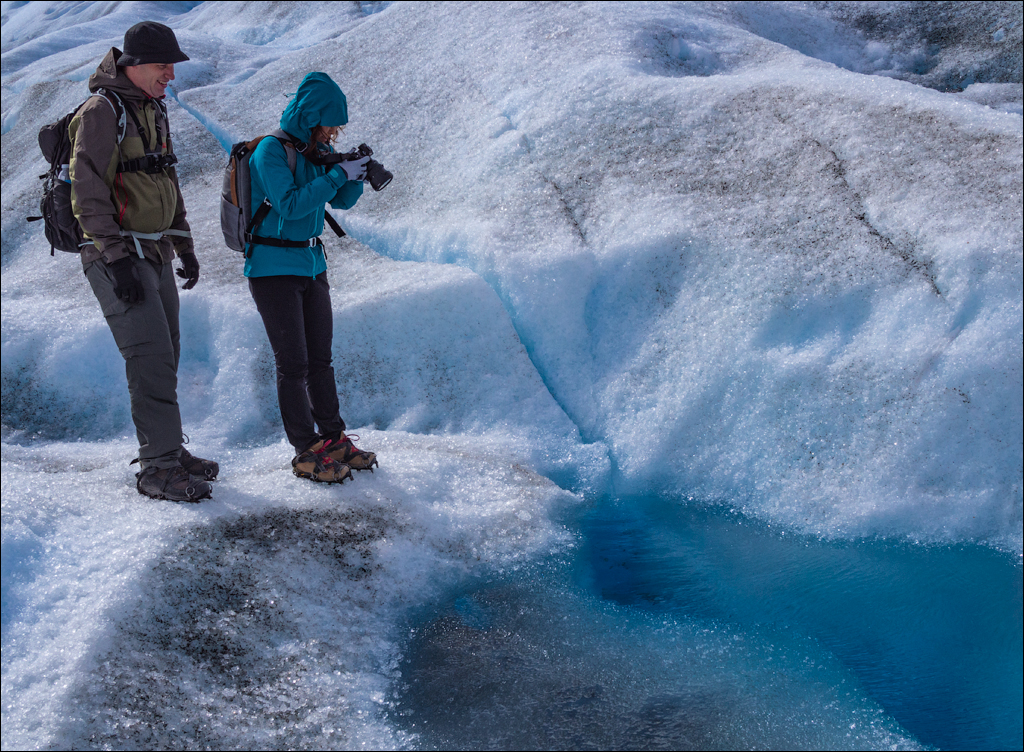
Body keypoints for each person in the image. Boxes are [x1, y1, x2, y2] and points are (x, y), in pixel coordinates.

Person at [70, 21, 218, 502]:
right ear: (133, 66)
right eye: (162, 65)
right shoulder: (101, 111)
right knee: (149, 358)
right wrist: (115, 262)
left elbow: (164, 180)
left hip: (154, 250)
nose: (171, 75)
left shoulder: (151, 108)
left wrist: (186, 246)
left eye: (172, 65)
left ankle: (168, 451)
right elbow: (87, 193)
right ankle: (156, 470)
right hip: (117, 255)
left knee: (167, 353)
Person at [245, 71, 377, 484]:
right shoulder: (271, 151)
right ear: (310, 117)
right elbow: (289, 205)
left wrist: (353, 175)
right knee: (294, 364)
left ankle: (333, 439)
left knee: (320, 360)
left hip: (311, 264)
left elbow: (339, 200)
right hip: (272, 269)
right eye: (329, 125)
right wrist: (337, 174)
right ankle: (305, 451)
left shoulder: (312, 151)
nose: (333, 133)